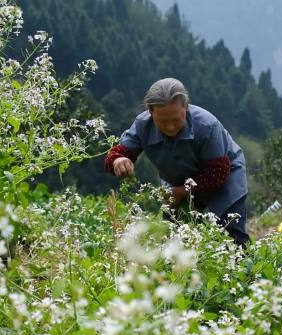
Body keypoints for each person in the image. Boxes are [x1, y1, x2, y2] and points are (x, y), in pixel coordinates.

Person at [104, 78, 250, 246]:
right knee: (173, 235)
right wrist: (119, 160)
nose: (171, 127)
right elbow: (116, 154)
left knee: (232, 234)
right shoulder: (142, 125)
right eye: (163, 122)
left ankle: (249, 271)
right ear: (151, 112)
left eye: (176, 120)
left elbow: (217, 173)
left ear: (185, 107)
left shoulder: (206, 125)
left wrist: (180, 192)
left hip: (225, 175)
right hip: (178, 182)